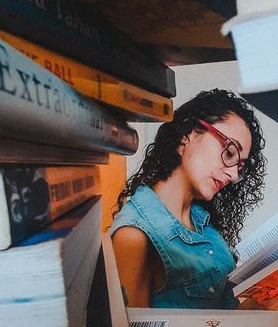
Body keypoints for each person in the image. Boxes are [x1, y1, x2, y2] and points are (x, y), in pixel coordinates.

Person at [109, 88, 266, 309]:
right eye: (230, 152)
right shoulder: (134, 236)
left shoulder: (202, 221)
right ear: (187, 136)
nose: (232, 174)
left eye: (240, 167)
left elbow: (214, 311)